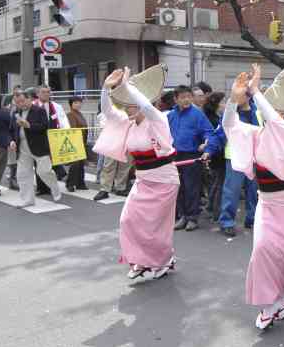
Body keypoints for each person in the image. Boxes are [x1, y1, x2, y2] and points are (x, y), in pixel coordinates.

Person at [223, 60, 284, 331]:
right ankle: (270, 303)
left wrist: (256, 91)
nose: (271, 111)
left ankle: (283, 294)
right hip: (267, 202)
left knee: (280, 254)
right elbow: (229, 124)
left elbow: (274, 119)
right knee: (261, 249)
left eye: (273, 107)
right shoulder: (254, 134)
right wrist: (233, 99)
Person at [95, 67, 179, 280]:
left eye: (131, 104)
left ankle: (164, 260)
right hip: (142, 180)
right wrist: (106, 88)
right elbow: (108, 112)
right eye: (125, 104)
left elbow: (146, 106)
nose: (127, 108)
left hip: (164, 180)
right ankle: (140, 260)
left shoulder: (158, 119)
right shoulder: (128, 124)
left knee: (154, 227)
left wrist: (127, 87)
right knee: (128, 220)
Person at [205, 92, 260, 238]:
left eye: (243, 94)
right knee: (232, 191)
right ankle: (227, 222)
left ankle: (252, 218)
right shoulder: (230, 114)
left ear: (249, 96)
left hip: (254, 158)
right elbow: (219, 134)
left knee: (253, 191)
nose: (239, 97)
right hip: (235, 158)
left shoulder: (258, 112)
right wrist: (209, 150)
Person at [168, 85, 213, 231]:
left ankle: (192, 218)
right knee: (178, 187)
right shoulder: (171, 115)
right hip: (175, 155)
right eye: (183, 97)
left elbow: (208, 131)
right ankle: (183, 216)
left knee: (191, 187)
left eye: (188, 96)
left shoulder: (197, 114)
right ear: (176, 99)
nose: (186, 100)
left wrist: (206, 144)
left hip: (192, 156)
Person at [13, 90, 62, 207]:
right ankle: (27, 200)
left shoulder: (39, 110)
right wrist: (11, 141)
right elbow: (11, 129)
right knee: (23, 174)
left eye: (22, 101)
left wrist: (29, 125)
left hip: (39, 146)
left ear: (29, 98)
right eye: (17, 102)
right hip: (22, 147)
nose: (21, 104)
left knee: (44, 171)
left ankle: (54, 187)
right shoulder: (16, 112)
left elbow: (44, 126)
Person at [34, 84, 70, 193]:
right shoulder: (33, 106)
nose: (46, 94)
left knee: (50, 163)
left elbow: (63, 121)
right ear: (37, 94)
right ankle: (42, 188)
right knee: (39, 164)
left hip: (53, 139)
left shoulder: (56, 106)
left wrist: (66, 132)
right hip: (38, 140)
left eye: (48, 92)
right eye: (43, 92)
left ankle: (52, 183)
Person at [201, 92, 226, 220]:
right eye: (223, 102)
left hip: (214, 154)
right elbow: (214, 138)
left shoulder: (214, 117)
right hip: (217, 154)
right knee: (220, 183)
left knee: (216, 182)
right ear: (216, 104)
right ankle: (216, 211)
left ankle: (211, 207)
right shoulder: (214, 120)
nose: (225, 104)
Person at [65, 97, 90, 192]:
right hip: (75, 141)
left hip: (82, 141)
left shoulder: (80, 114)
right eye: (75, 103)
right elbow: (73, 129)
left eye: (79, 103)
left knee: (80, 164)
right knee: (75, 164)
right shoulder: (70, 114)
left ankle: (80, 183)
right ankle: (70, 184)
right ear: (71, 104)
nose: (78, 104)